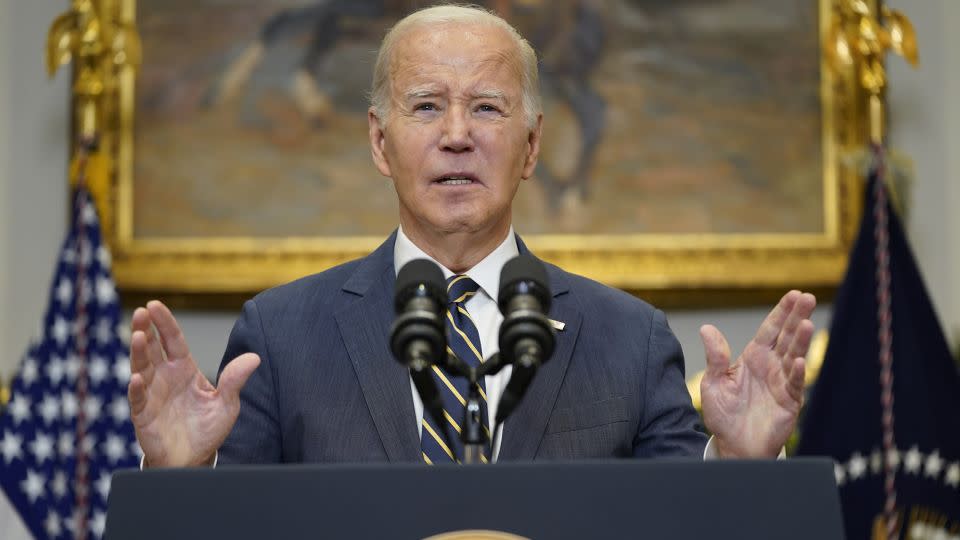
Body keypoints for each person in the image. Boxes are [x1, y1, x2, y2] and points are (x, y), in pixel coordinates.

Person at [127, 4, 815, 467]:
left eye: (487, 107)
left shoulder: (630, 342)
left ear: (532, 145)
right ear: (379, 141)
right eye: (426, 106)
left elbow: (684, 531)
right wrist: (179, 478)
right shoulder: (280, 337)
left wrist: (739, 464)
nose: (456, 135)